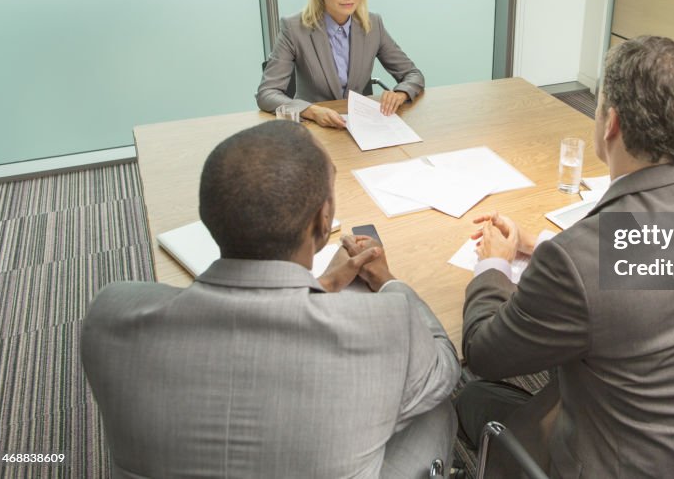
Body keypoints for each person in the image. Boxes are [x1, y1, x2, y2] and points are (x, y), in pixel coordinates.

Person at [455, 36, 674, 478]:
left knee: (473, 396)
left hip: (620, 466)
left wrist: (494, 265)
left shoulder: (576, 259)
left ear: (610, 122)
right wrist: (539, 245)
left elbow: (484, 353)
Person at [80, 121, 459, 478]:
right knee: (436, 405)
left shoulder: (110, 313)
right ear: (323, 221)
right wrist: (390, 282)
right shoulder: (385, 323)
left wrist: (323, 285)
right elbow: (444, 368)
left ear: (208, 214)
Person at [257, 0, 425, 128]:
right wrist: (312, 111)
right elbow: (267, 93)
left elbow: (413, 74)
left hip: (361, 127)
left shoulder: (372, 24)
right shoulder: (294, 28)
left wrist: (400, 93)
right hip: (314, 129)